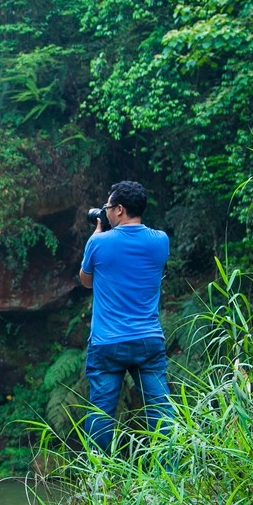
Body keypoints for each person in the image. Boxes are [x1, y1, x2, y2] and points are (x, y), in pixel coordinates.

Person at [77, 180, 173, 454]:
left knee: (101, 411)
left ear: (119, 209)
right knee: (161, 409)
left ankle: (99, 473)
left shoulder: (98, 242)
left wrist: (96, 236)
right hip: (148, 340)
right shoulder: (161, 241)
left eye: (108, 207)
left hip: (107, 342)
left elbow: (86, 281)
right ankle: (172, 469)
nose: (105, 211)